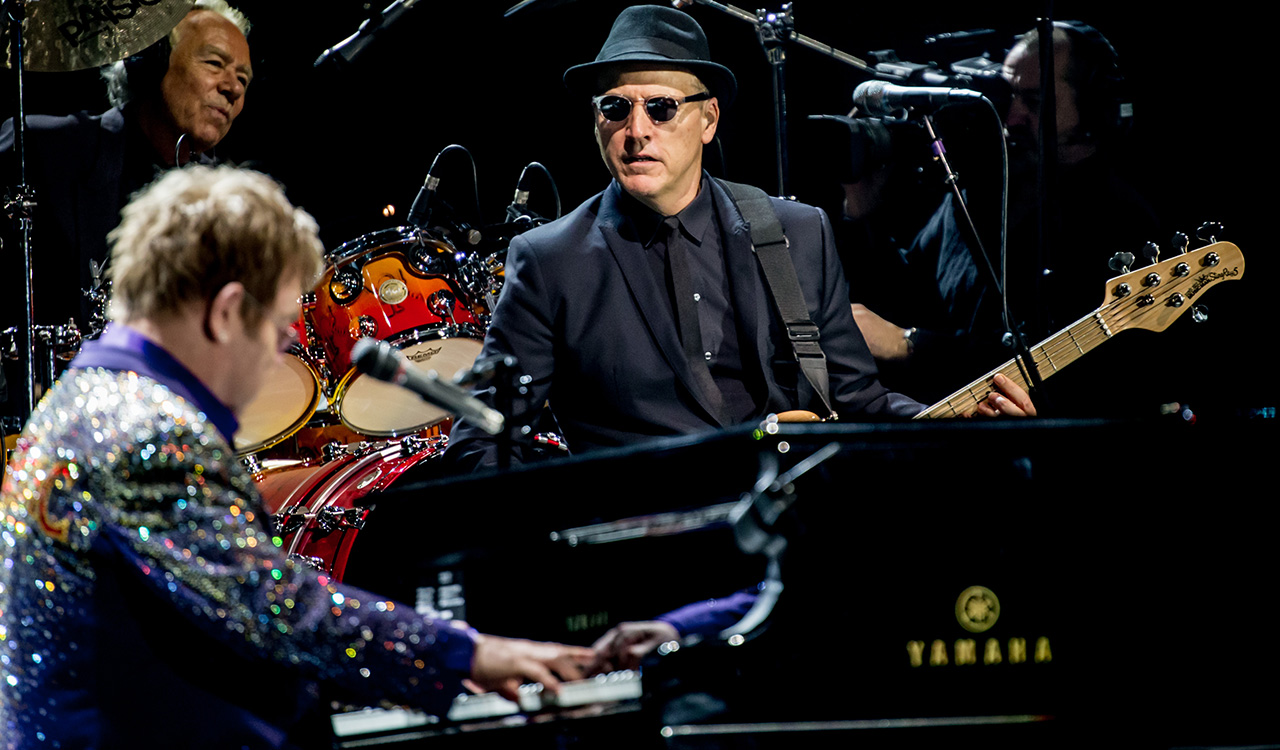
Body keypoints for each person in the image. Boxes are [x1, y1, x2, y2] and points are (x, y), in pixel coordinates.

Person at [0, 165, 593, 749]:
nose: (282, 360)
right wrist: (472, 653)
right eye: (283, 331)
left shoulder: (83, 399)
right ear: (228, 310)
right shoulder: (147, 437)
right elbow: (277, 608)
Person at [445, 5, 1034, 471]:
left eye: (661, 107)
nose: (635, 131)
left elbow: (861, 405)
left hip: (789, 538)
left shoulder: (798, 233)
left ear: (709, 120)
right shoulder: (551, 260)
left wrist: (964, 421)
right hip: (647, 555)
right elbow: (482, 442)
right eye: (614, 108)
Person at [849, 22, 1161, 408]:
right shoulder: (980, 193)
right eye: (1009, 95)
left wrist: (912, 346)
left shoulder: (1118, 219)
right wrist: (868, 214)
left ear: (1092, 107)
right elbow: (911, 299)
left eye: (1033, 101)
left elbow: (1071, 369)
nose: (1011, 118)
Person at [0, 0, 255, 413]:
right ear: (147, 62)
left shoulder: (232, 209)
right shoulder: (47, 150)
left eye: (243, 77)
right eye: (214, 63)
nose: (234, 87)